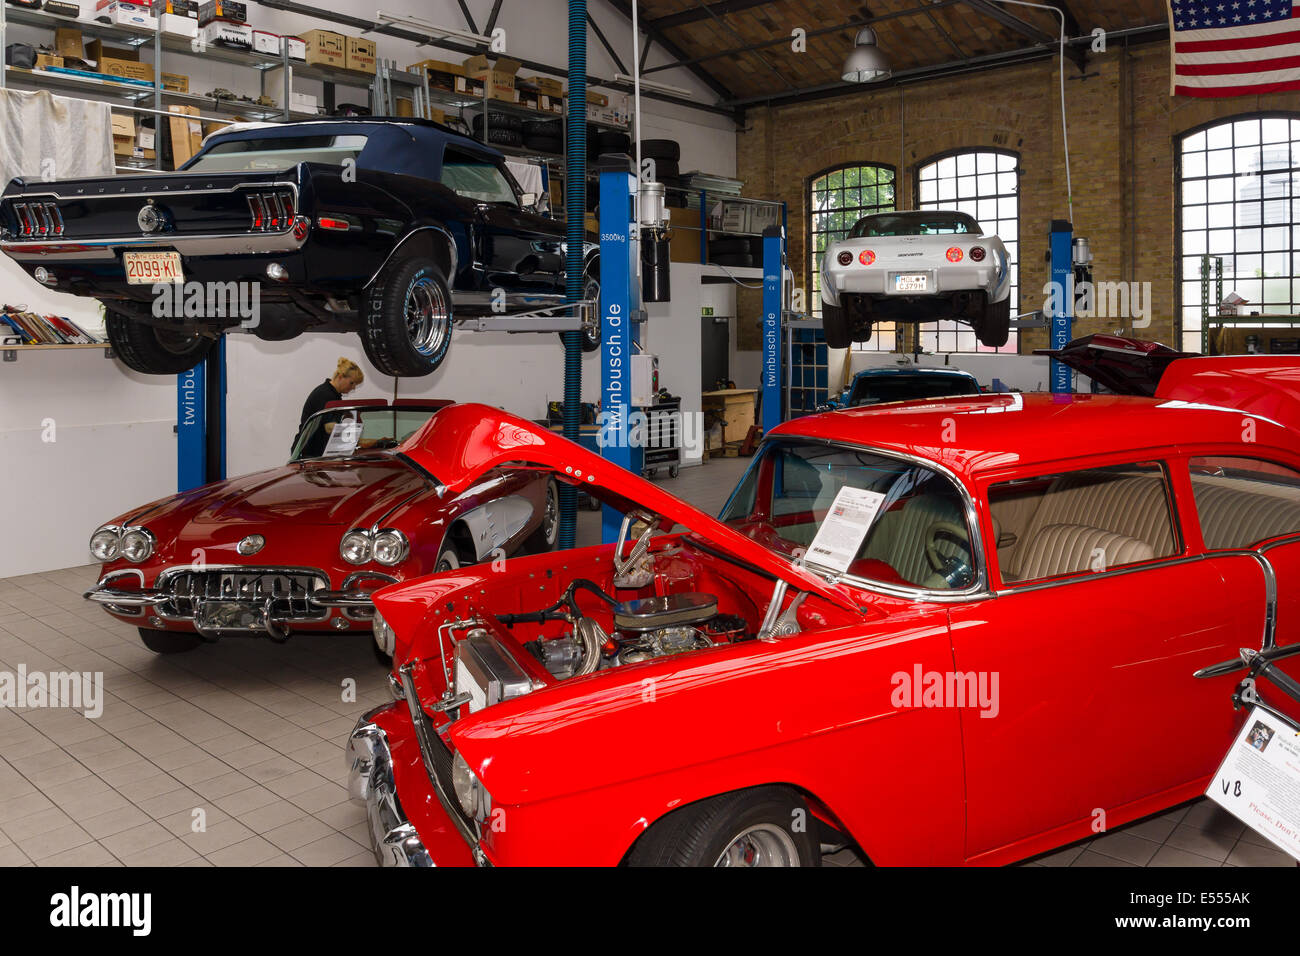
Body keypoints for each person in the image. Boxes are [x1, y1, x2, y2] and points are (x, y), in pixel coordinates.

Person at [296, 358, 364, 458]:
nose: (353, 387)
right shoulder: (325, 395)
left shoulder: (333, 395)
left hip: (315, 451)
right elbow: (329, 427)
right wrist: (355, 436)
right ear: (340, 377)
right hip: (308, 452)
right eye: (352, 383)